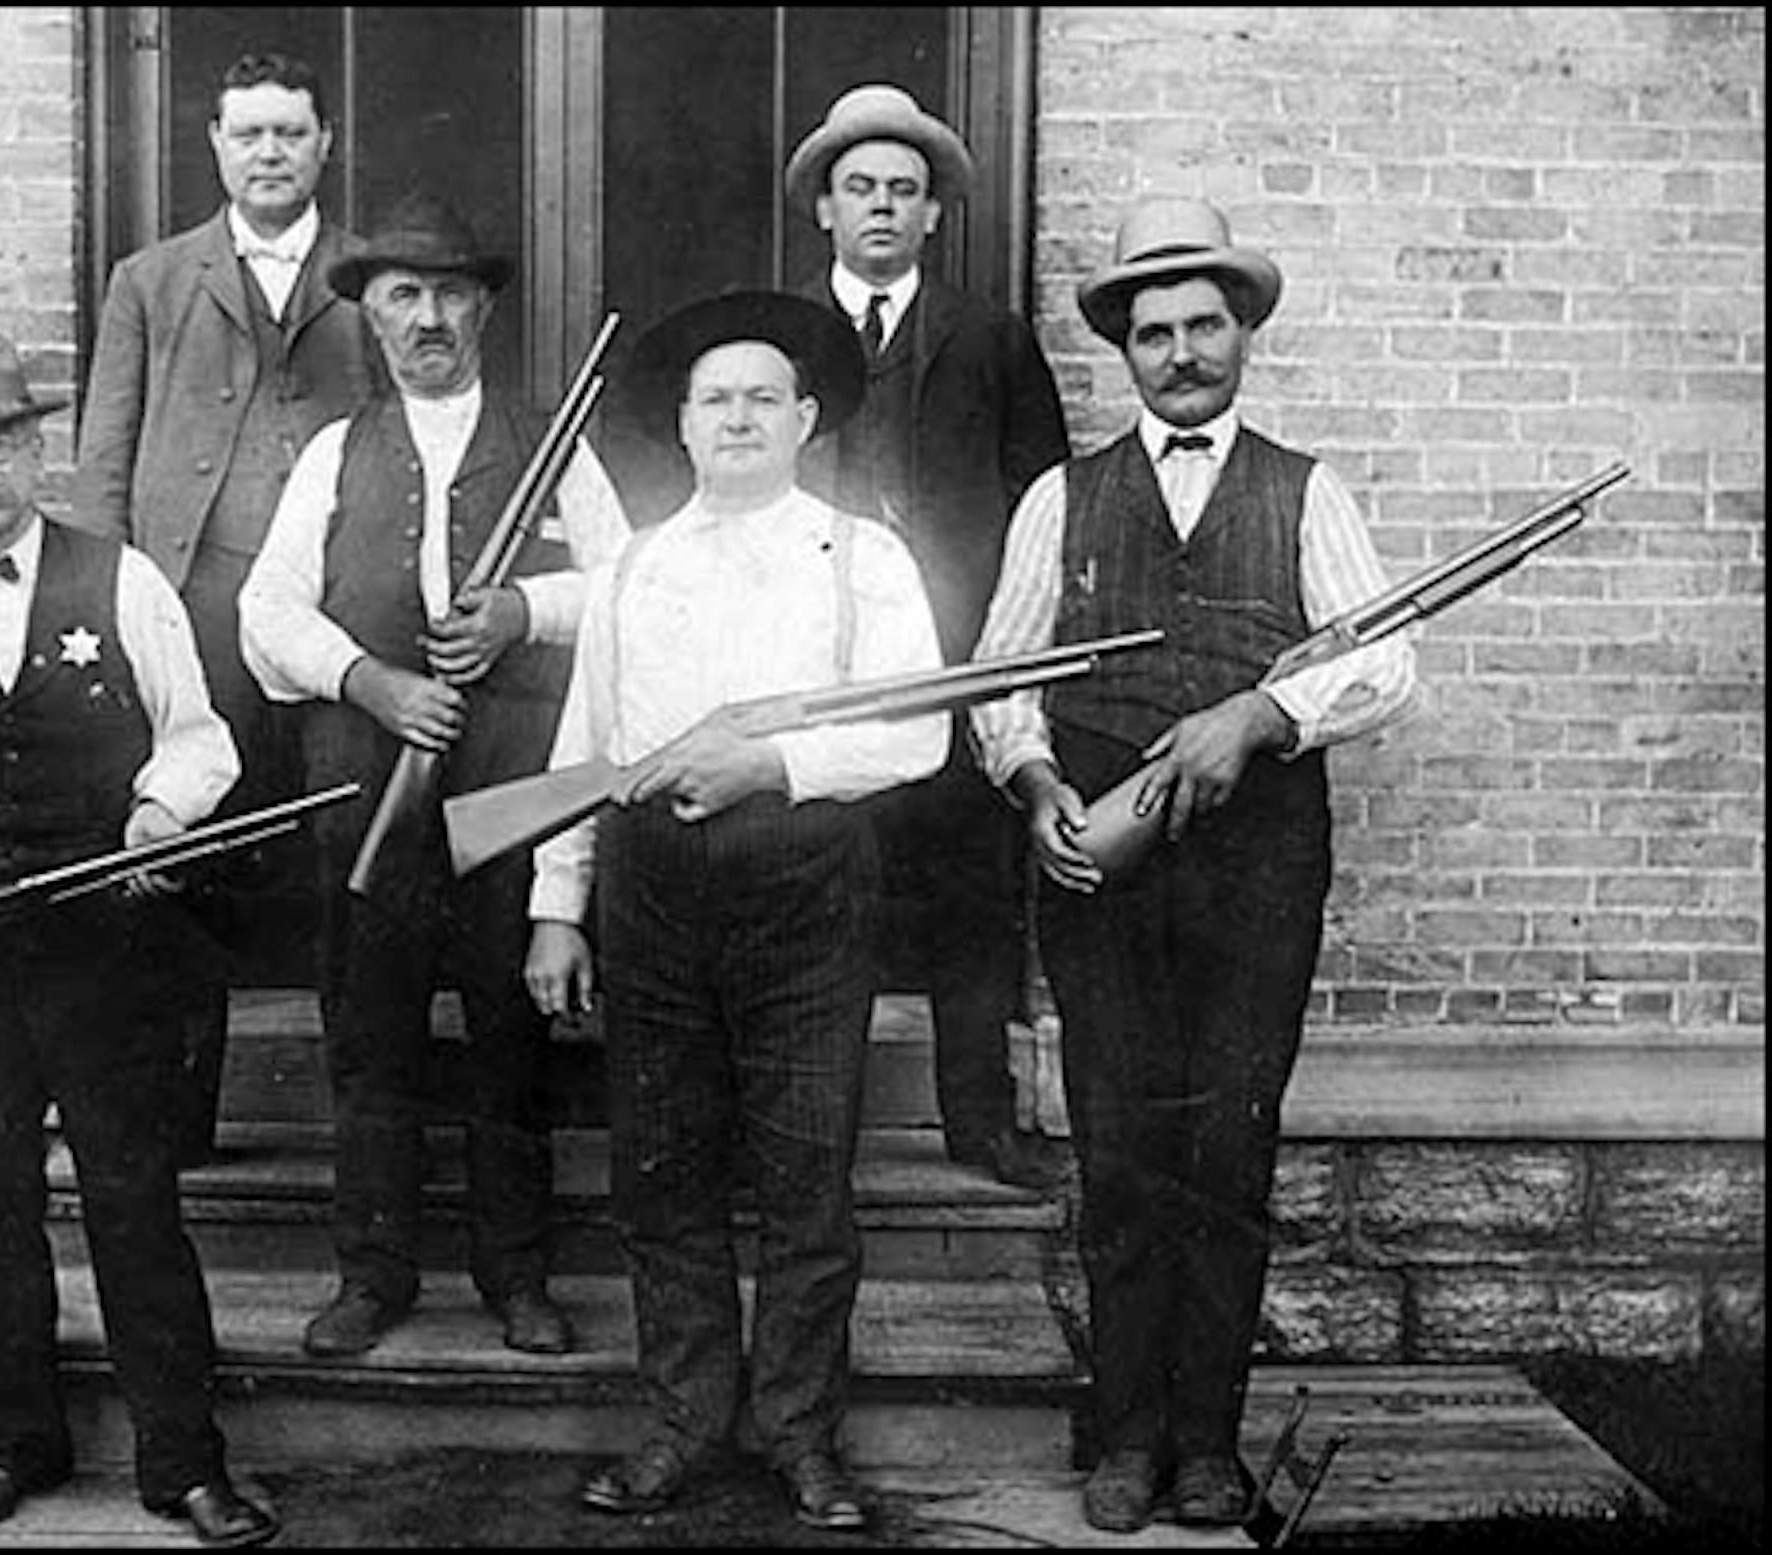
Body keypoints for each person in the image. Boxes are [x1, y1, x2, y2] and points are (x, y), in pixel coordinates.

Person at [969, 197, 1417, 1533]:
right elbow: (1001, 679)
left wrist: (1263, 715)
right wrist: (1035, 782)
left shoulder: (1305, 489)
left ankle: (1209, 1443)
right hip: (1105, 863)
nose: (1181, 352)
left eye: (1204, 325)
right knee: (1117, 1150)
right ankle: (1125, 1435)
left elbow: (1389, 660)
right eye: (1154, 332)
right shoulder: (1061, 496)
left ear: (1243, 336)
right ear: (1124, 350)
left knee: (1229, 1150)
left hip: (1260, 864)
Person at [0, 328, 278, 1547]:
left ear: (36, 449)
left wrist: (157, 811)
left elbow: (200, 737)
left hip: (106, 954)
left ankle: (184, 1462)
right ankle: (15, 1446)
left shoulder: (123, 582)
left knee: (134, 1201)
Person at [524, 292, 948, 1532]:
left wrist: (771, 765)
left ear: (807, 419)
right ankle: (684, 1424)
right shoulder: (633, 566)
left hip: (807, 886)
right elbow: (586, 746)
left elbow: (918, 734)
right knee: (664, 1177)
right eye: (717, 398)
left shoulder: (864, 557)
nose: (741, 417)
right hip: (654, 893)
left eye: (766, 396)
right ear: (683, 423)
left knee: (806, 1178)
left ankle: (801, 1436)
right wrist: (558, 905)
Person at [237, 192, 631, 1361]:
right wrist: (370, 683)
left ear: (484, 310)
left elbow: (631, 591)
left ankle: (518, 1277)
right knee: (372, 1035)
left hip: (516, 783)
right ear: (369, 315)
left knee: (513, 1028)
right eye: (402, 295)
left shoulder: (555, 442)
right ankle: (374, 1275)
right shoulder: (332, 452)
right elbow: (267, 613)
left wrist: (524, 611)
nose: (428, 318)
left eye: (450, 294)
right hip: (369, 784)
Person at [74, 51, 381, 1167]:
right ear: (215, 145)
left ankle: (360, 1119)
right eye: (248, 134)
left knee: (343, 836)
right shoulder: (151, 281)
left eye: (290, 133)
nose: (269, 153)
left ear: (325, 144)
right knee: (188, 834)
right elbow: (105, 457)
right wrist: (108, 608)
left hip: (330, 611)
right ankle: (180, 1118)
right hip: (191, 601)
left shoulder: (372, 275)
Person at [784, 84, 1073, 1191]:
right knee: (820, 898)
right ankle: (813, 1131)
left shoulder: (990, 341)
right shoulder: (781, 339)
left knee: (972, 898)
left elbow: (1042, 509)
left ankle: (978, 1121)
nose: (882, 207)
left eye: (904, 190)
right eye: (859, 187)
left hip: (959, 667)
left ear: (935, 213)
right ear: (825, 207)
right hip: (819, 674)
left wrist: (1004, 658)